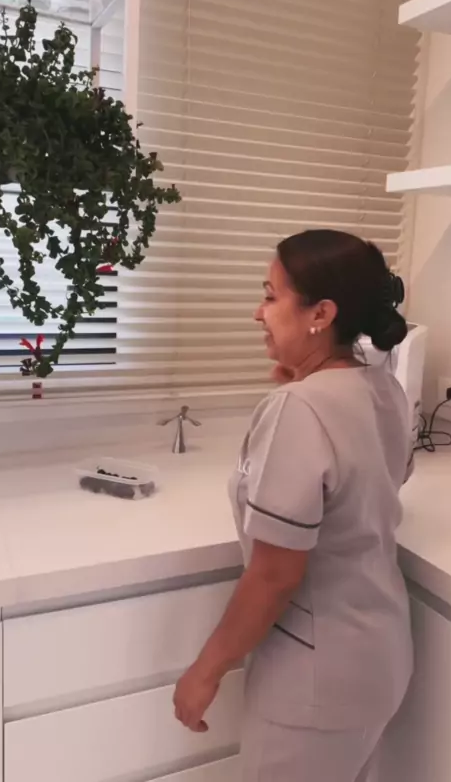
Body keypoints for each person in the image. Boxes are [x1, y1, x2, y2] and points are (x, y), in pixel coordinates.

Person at [173, 229, 414, 782]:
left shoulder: (298, 409)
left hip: (315, 680)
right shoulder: (386, 389)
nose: (258, 313)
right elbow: (382, 476)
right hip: (381, 657)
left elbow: (275, 575)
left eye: (271, 295)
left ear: (320, 314)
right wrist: (303, 381)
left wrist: (206, 670)